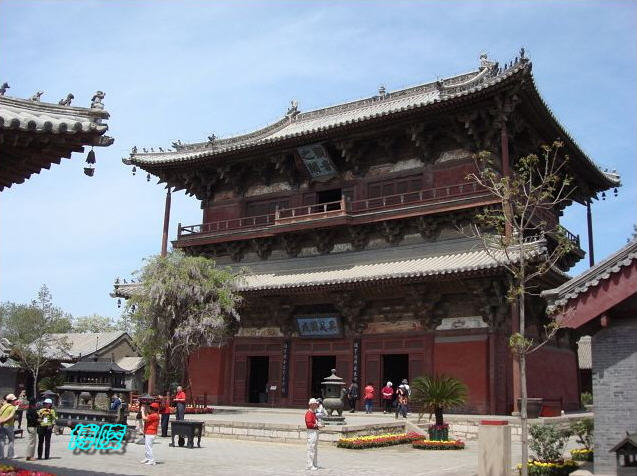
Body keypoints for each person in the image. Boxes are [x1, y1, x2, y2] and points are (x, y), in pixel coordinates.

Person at [305, 398, 322, 471]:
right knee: (311, 448)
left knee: (314, 449)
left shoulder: (313, 413)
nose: (316, 405)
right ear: (311, 405)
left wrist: (318, 424)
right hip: (311, 432)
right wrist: (316, 425)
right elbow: (309, 424)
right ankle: (309, 465)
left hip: (315, 431)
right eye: (315, 404)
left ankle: (314, 464)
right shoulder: (309, 413)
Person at [0, 393, 17, 459]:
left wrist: (1, 421)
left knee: (2, 440)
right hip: (9, 425)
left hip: (2, 425)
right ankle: (10, 455)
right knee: (11, 440)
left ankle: (1, 455)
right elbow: (11, 416)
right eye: (14, 400)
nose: (15, 401)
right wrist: (5, 420)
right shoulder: (12, 407)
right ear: (12, 400)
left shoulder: (3, 407)